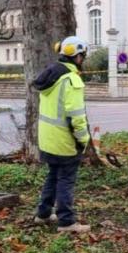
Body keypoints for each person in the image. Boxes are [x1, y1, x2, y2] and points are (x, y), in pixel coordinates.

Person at [33, 36, 91, 233]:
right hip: (64, 140)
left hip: (47, 140)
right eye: (82, 56)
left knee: (53, 176)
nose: (83, 59)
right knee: (65, 179)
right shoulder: (71, 80)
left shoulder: (50, 75)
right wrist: (84, 139)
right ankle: (66, 221)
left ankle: (43, 214)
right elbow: (76, 116)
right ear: (78, 56)